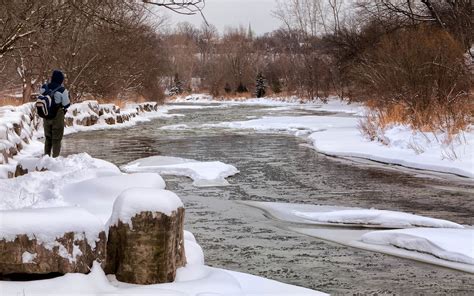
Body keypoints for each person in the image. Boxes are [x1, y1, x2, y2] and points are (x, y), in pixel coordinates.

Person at [40, 70, 70, 158]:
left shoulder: (44, 88)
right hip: (57, 116)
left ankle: (46, 157)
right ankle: (55, 159)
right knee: (56, 139)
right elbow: (66, 104)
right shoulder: (62, 90)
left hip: (46, 115)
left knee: (48, 138)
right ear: (61, 79)